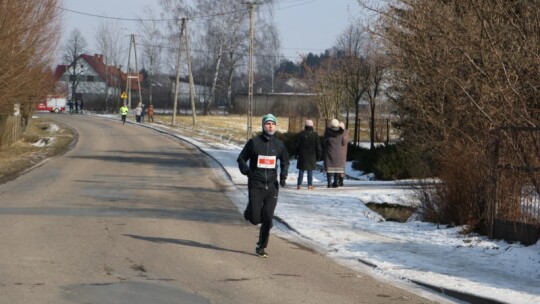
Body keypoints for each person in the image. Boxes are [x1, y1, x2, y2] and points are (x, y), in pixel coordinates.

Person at [237, 113, 290, 258]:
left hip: (272, 186)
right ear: (263, 126)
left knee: (268, 218)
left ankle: (261, 246)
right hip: (256, 184)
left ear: (276, 126)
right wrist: (247, 171)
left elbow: (285, 161)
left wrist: (284, 175)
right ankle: (250, 210)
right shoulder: (254, 143)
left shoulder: (279, 145)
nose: (270, 126)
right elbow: (241, 158)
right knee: (255, 219)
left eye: (273, 123)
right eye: (267, 123)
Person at [295, 119, 322, 190]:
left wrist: (296, 154)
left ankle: (299, 185)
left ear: (305, 126)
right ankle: (310, 185)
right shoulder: (315, 135)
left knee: (301, 170)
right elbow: (318, 146)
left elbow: (297, 145)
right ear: (312, 126)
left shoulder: (301, 134)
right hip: (311, 155)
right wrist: (318, 155)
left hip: (302, 155)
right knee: (310, 170)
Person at [323, 119, 346, 188]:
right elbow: (344, 143)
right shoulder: (342, 133)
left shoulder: (327, 133)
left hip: (329, 153)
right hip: (338, 154)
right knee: (337, 168)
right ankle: (335, 182)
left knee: (329, 169)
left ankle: (329, 183)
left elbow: (324, 142)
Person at [338, 122, 349, 187]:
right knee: (342, 167)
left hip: (340, 152)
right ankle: (341, 180)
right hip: (343, 152)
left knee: (340, 166)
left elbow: (343, 142)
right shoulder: (346, 134)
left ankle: (340, 180)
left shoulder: (342, 134)